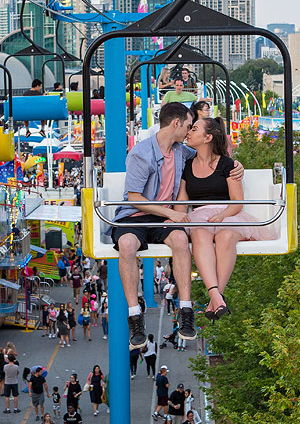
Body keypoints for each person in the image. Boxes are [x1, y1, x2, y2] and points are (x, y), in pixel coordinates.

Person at [108, 102, 245, 347]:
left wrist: (235, 165)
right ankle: (134, 314)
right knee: (127, 244)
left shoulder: (183, 152)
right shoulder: (141, 153)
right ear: (176, 124)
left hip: (165, 218)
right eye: (188, 126)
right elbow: (134, 198)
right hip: (136, 215)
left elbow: (212, 155)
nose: (189, 131)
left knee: (181, 239)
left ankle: (185, 309)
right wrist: (172, 214)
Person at [178, 116, 272, 320]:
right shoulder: (187, 165)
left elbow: (237, 201)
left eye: (194, 129)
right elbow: (182, 201)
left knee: (226, 236)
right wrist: (176, 216)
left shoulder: (227, 164)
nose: (189, 133)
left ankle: (215, 297)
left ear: (207, 137)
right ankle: (217, 297)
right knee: (200, 234)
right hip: (201, 215)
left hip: (227, 213)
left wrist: (222, 215)